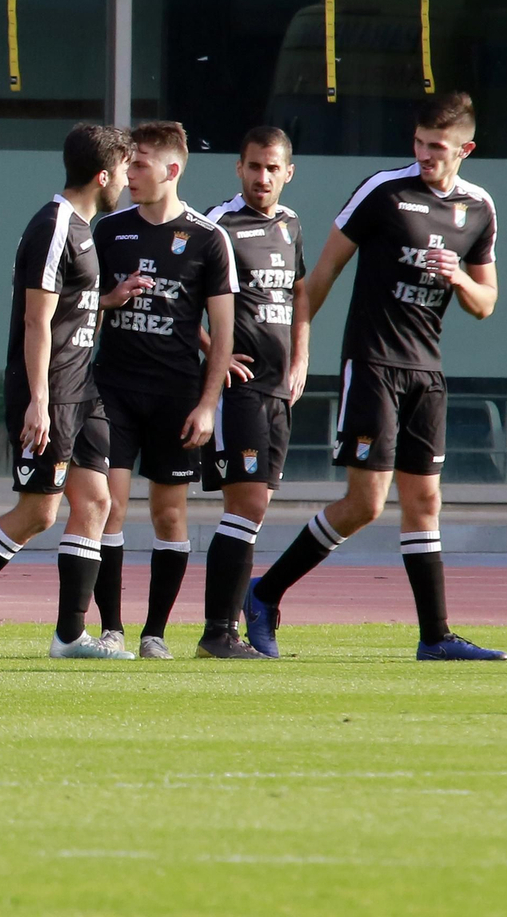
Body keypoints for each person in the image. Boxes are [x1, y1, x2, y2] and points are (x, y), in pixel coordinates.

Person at [245, 91, 507, 661]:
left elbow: (486, 303)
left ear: (466, 148)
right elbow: (318, 278)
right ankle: (264, 594)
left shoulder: (480, 208)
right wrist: (296, 353)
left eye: (437, 147)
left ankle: (435, 637)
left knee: (425, 503)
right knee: (365, 504)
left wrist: (459, 279)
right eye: (417, 143)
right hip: (371, 364)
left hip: (426, 372)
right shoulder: (384, 191)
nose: (424, 155)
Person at [0, 124, 142, 661]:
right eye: (124, 171)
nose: (128, 182)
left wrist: (107, 299)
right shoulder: (55, 227)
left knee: (96, 500)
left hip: (80, 386)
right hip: (47, 392)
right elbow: (37, 322)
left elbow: (70, 305)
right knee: (38, 512)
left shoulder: (86, 228)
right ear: (102, 174)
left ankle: (70, 637)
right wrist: (39, 402)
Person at [91, 121, 238, 660]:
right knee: (107, 504)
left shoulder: (207, 238)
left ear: (172, 170)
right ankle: (111, 631)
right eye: (128, 163)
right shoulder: (109, 230)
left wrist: (208, 403)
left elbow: (222, 332)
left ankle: (154, 634)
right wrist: (111, 299)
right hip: (113, 389)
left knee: (169, 515)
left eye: (140, 163)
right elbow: (82, 305)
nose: (129, 174)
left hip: (176, 395)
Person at [202, 126, 310, 659]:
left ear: (288, 173)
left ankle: (228, 626)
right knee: (244, 503)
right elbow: (180, 300)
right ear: (238, 169)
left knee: (257, 505)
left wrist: (302, 359)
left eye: (272, 168)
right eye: (253, 167)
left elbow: (300, 293)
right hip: (238, 390)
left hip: (277, 391)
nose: (262, 177)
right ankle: (217, 632)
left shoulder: (291, 225)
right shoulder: (218, 226)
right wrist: (213, 353)